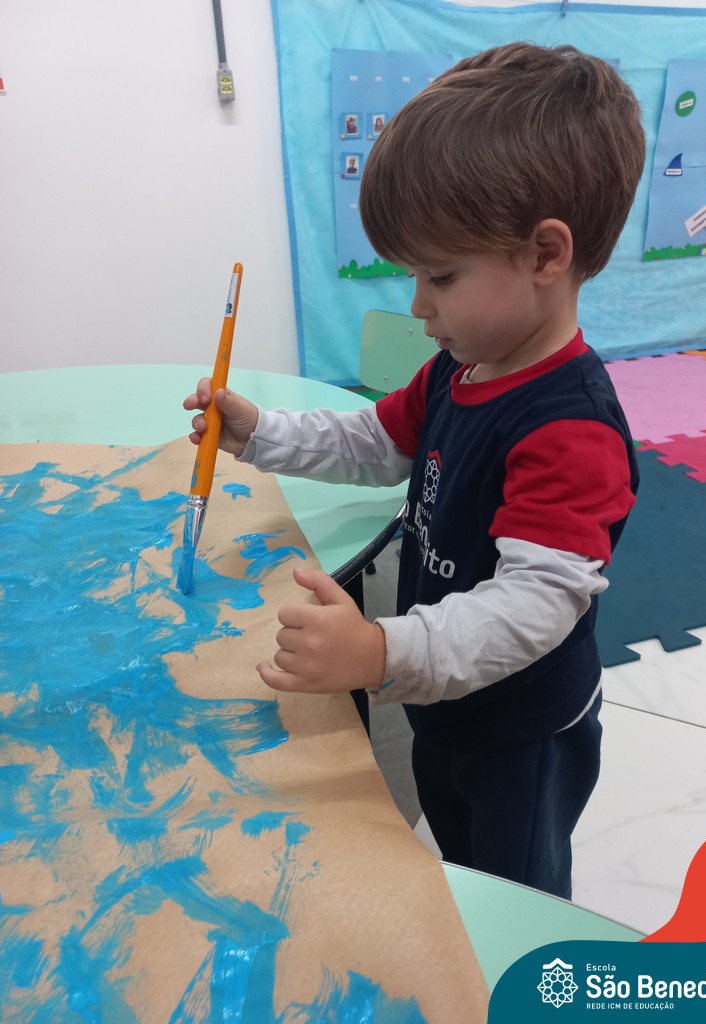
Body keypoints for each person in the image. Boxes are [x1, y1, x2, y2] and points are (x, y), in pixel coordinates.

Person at [184, 42, 646, 900]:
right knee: (457, 863)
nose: (418, 305)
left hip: (520, 733)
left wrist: (378, 649)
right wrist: (260, 434)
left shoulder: (571, 428)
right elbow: (375, 441)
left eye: (440, 275)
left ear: (546, 255)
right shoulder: (457, 370)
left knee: (515, 897)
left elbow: (534, 608)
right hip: (439, 693)